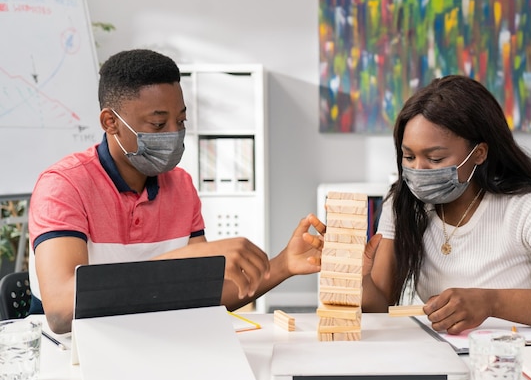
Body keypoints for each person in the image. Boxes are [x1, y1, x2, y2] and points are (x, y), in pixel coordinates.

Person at [28, 49, 324, 334]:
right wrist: (182, 262)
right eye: (158, 124)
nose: (173, 133)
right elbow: (61, 309)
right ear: (111, 122)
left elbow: (207, 295)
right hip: (72, 355)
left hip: (157, 343)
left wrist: (284, 264)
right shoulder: (63, 185)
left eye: (180, 121)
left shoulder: (180, 184)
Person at [358, 75, 531, 333]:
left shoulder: (530, 207)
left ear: (479, 153)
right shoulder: (403, 205)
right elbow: (379, 309)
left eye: (436, 159)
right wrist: (356, 277)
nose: (419, 170)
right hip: (447, 361)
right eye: (408, 156)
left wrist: (490, 303)